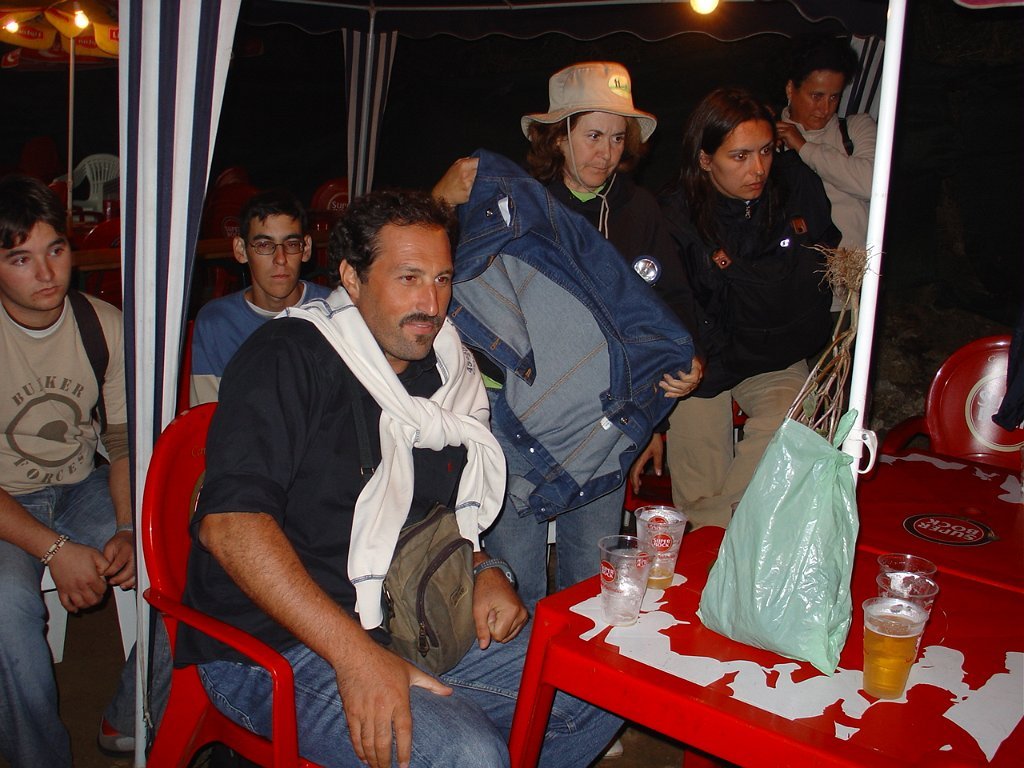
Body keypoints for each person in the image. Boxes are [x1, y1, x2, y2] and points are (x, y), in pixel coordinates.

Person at [176, 189, 620, 768]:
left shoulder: (445, 371)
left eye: (442, 279)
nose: (430, 303)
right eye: (408, 278)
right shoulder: (286, 357)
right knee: (467, 753)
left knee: (602, 680)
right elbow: (230, 525)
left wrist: (482, 568)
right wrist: (355, 655)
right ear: (351, 278)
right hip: (272, 641)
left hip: (408, 611)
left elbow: (439, 510)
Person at [434, 61, 701, 610]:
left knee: (590, 570)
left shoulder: (639, 211)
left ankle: (584, 661)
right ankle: (521, 663)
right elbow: (442, 269)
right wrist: (440, 200)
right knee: (516, 571)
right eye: (593, 136)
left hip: (605, 418)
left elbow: (669, 310)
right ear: (558, 137)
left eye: (618, 138)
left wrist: (678, 375)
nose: (606, 153)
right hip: (515, 414)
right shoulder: (518, 208)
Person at [0, 174, 166, 765]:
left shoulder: (102, 325)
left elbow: (121, 446)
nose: (47, 273)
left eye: (56, 250)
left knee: (180, 553)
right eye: (21, 258)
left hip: (80, 486)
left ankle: (131, 713)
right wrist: (55, 551)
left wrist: (127, 526)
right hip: (8, 504)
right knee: (8, 607)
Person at [659, 88, 840, 528]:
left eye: (765, 151)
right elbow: (665, 305)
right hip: (704, 361)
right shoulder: (674, 214)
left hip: (773, 351)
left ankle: (716, 529)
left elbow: (827, 248)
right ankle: (714, 537)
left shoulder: (795, 187)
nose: (757, 169)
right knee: (700, 473)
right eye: (739, 156)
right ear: (705, 159)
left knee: (792, 426)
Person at [189, 188, 331, 405]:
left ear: (306, 248)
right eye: (264, 245)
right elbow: (209, 415)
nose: (280, 259)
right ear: (241, 250)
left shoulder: (334, 312)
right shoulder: (217, 323)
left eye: (291, 244)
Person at [775, 35, 876, 308]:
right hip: (792, 292)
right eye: (816, 96)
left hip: (851, 290)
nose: (825, 108)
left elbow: (872, 185)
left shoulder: (856, 128)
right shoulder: (765, 140)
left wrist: (803, 146)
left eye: (834, 97)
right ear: (790, 89)